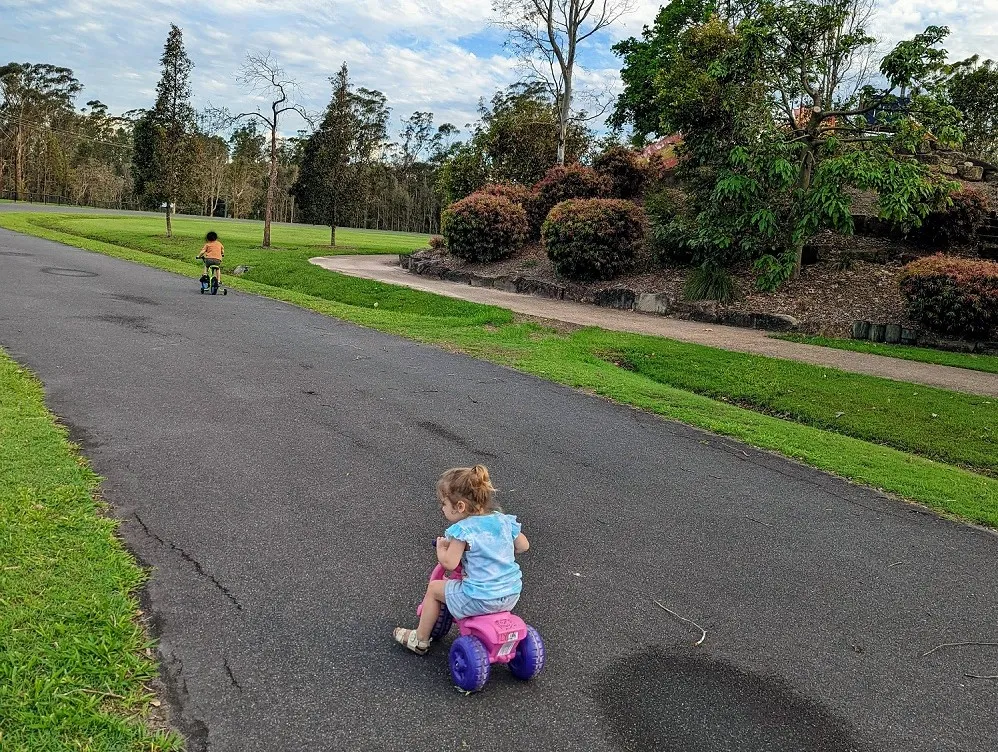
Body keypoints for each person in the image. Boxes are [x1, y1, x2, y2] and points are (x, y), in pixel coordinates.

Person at [394, 465, 530, 655]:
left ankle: (420, 639)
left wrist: (442, 549)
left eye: (444, 504)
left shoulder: (463, 530)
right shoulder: (503, 521)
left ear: (460, 506)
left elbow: (449, 563)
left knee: (435, 589)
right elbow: (523, 546)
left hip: (479, 598)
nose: (442, 508)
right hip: (510, 595)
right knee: (456, 587)